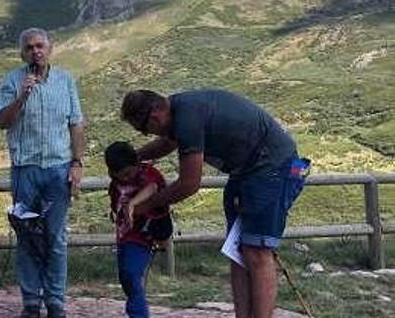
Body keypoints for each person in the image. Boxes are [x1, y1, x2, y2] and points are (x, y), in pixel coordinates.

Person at [120, 88, 310, 318]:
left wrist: (145, 206)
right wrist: (133, 158)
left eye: (143, 129)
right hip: (248, 171)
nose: (146, 134)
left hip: (275, 167)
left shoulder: (187, 119)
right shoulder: (179, 109)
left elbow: (189, 184)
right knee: (238, 250)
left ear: (154, 116)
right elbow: (167, 143)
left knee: (256, 251)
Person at [0, 28, 86, 318]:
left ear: (50, 48)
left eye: (40, 46)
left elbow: (76, 124)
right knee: (27, 236)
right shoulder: (12, 81)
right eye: (29, 47)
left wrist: (77, 163)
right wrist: (22, 96)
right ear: (23, 53)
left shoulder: (66, 80)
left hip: (58, 169)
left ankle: (55, 301)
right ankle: (31, 301)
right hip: (25, 170)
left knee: (56, 237)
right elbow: (2, 122)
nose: (36, 51)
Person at [105, 141, 167, 318]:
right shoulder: (115, 183)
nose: (125, 178)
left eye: (128, 173)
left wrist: (133, 203)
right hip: (124, 234)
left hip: (144, 234)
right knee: (126, 277)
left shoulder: (146, 174)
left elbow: (152, 187)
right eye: (120, 175)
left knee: (131, 273)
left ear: (136, 164)